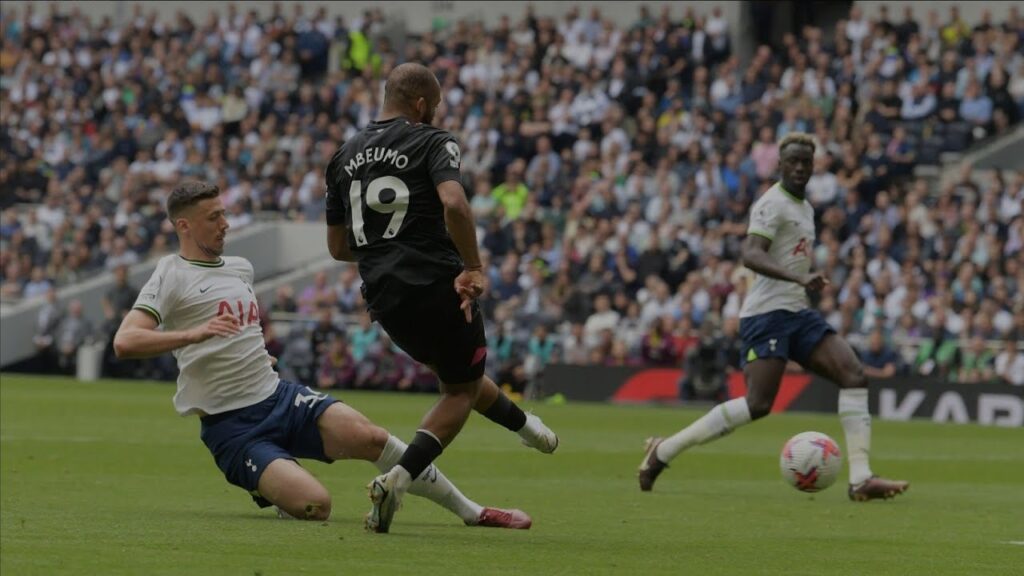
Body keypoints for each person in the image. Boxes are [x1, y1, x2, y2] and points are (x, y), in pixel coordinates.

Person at [113, 181, 531, 530]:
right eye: (213, 218)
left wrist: (251, 352)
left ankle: (473, 512)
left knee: (372, 437)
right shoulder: (171, 273)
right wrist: (194, 334)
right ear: (183, 226)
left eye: (224, 214)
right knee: (317, 506)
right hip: (232, 427)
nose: (225, 224)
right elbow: (125, 341)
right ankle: (270, 481)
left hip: (278, 397)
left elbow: (238, 330)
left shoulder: (240, 267)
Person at [324, 62, 558, 534]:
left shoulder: (342, 154)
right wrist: (473, 266)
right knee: (458, 390)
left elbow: (337, 248)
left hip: (384, 297)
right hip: (438, 282)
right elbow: (453, 202)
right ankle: (398, 479)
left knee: (461, 376)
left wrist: (386, 251)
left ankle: (529, 429)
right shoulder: (433, 139)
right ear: (421, 104)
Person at [637, 134, 909, 502]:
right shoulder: (772, 203)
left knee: (853, 373)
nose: (799, 167)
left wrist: (803, 281)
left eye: (805, 162)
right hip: (766, 315)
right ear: (780, 165)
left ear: (814, 166)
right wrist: (799, 276)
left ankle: (861, 479)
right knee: (759, 404)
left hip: (797, 311)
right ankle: (664, 451)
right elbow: (751, 254)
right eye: (793, 161)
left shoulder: (806, 208)